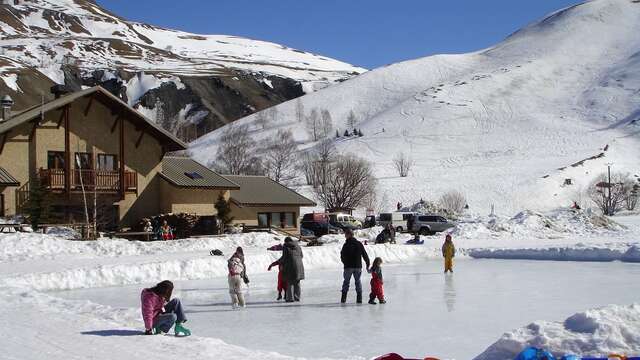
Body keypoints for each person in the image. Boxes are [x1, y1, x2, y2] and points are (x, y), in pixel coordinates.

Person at [269, 237, 304, 302]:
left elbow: (284, 258)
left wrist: (275, 263)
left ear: (286, 242)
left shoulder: (286, 246)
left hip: (290, 267)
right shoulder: (298, 246)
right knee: (297, 282)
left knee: (290, 282)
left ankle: (290, 298)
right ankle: (297, 297)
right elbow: (302, 256)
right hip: (299, 266)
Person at [340, 228, 370, 304]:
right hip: (358, 266)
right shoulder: (359, 244)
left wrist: (345, 263)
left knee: (346, 282)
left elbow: (342, 256)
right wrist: (367, 264)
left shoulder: (346, 245)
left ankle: (343, 299)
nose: (345, 236)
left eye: (346, 234)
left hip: (348, 267)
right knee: (358, 281)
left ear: (349, 235)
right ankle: (359, 299)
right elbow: (365, 254)